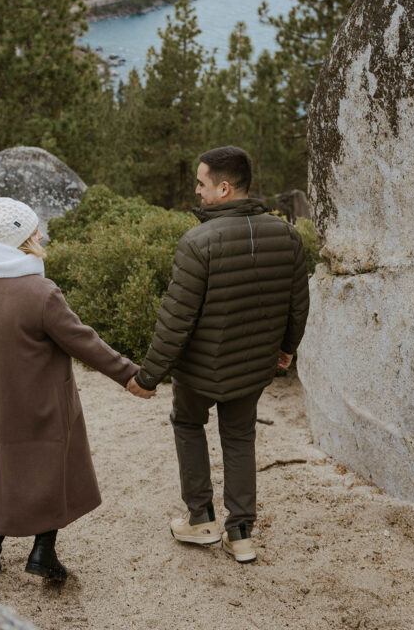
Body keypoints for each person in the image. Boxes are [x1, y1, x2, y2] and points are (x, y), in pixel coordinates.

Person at [0, 196, 149, 587]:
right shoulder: (40, 292)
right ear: (20, 239)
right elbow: (83, 341)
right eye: (35, 229)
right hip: (37, 403)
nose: (42, 234)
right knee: (51, 469)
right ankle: (43, 552)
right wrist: (129, 376)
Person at [131, 146, 309, 563]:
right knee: (240, 435)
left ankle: (201, 519)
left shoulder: (198, 241)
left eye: (201, 182)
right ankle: (241, 533)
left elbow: (176, 319)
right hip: (255, 366)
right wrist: (286, 349)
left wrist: (148, 376)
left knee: (189, 423)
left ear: (224, 187)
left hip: (200, 370)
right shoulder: (288, 236)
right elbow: (298, 305)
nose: (196, 190)